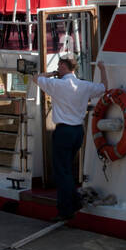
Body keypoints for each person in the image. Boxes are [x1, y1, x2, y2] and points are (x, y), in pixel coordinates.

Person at [36, 57, 108, 220]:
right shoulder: (84, 85)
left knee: (62, 172)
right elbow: (104, 87)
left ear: (63, 66)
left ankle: (67, 209)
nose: (57, 68)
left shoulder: (57, 85)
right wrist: (102, 69)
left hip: (63, 132)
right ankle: (74, 201)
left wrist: (53, 73)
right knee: (67, 169)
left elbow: (37, 78)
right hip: (78, 131)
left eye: (59, 66)